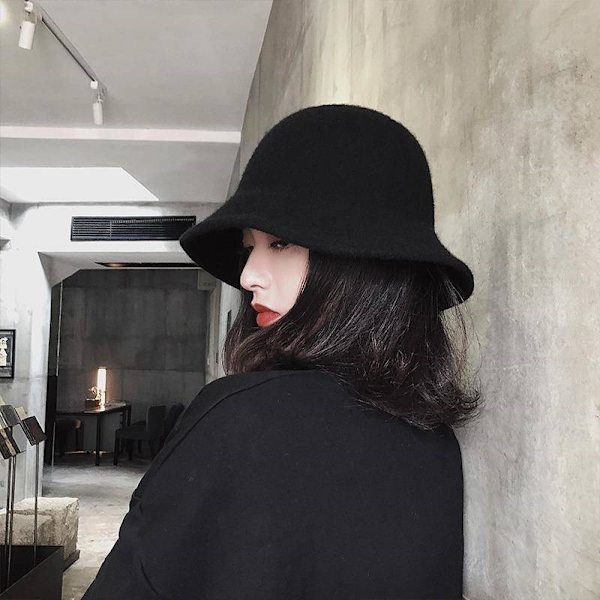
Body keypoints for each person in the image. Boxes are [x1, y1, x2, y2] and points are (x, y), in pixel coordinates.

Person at [81, 103, 482, 600]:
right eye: (251, 246)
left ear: (361, 261)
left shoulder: (243, 415)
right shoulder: (436, 446)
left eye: (280, 243)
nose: (248, 274)